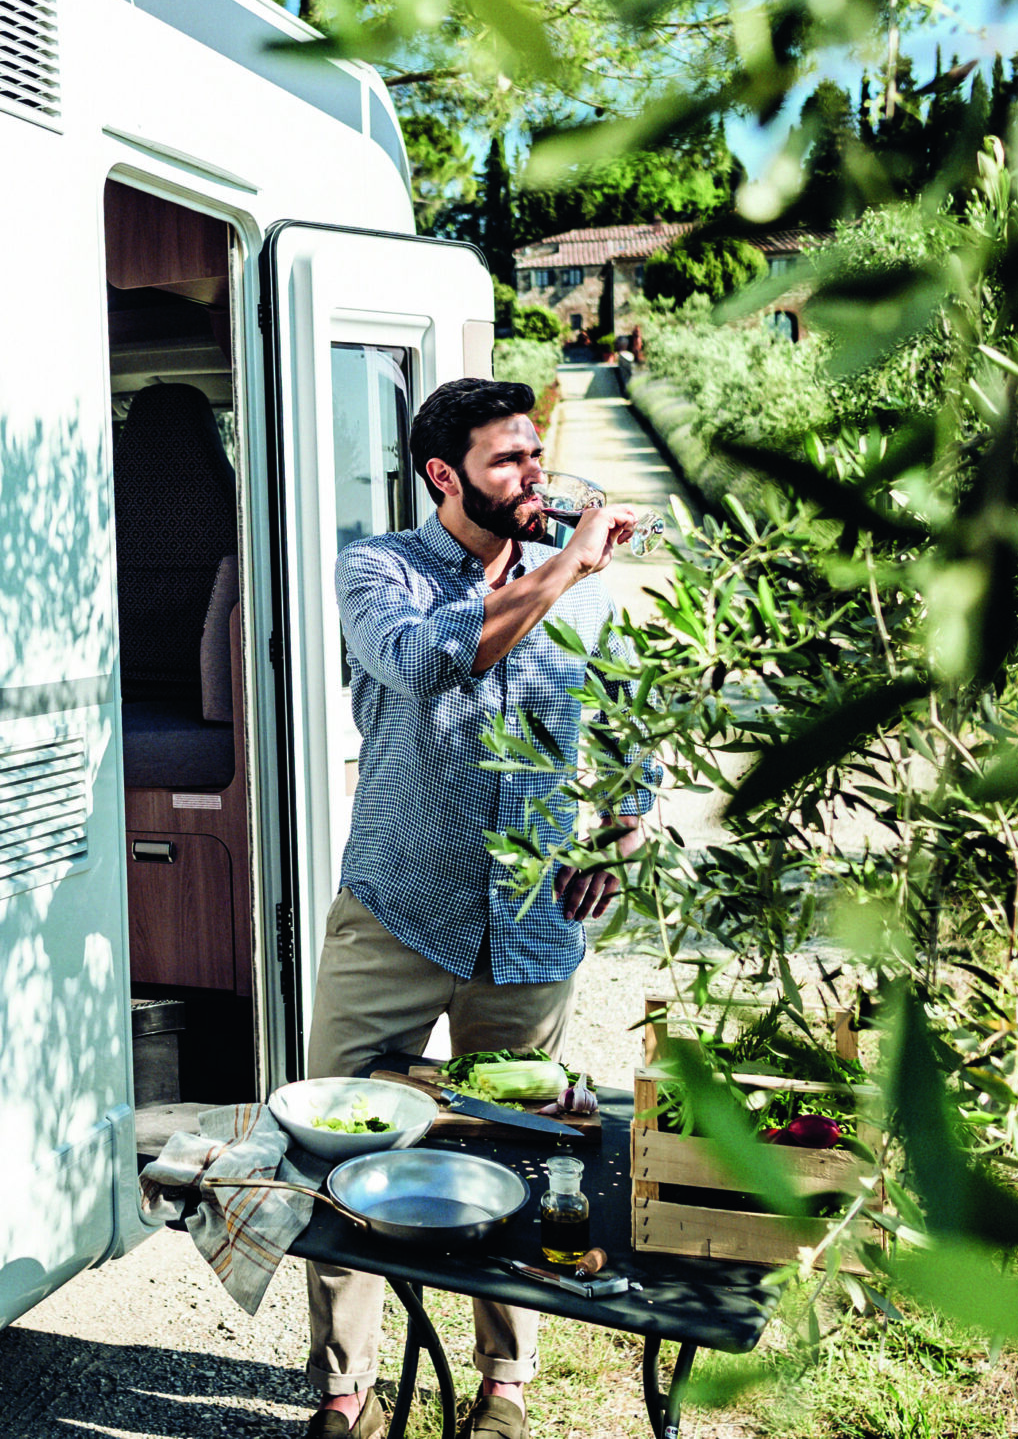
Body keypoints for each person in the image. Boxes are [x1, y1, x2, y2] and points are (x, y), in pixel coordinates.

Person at [303, 377, 659, 1439]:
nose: (533, 479)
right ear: (443, 475)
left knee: (518, 1151)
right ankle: (343, 1394)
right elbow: (424, 659)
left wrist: (622, 830)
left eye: (535, 457)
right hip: (394, 914)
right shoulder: (379, 571)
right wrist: (557, 571)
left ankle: (504, 1389)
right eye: (508, 462)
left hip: (533, 926)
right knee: (339, 1148)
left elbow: (639, 729)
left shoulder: (590, 593)